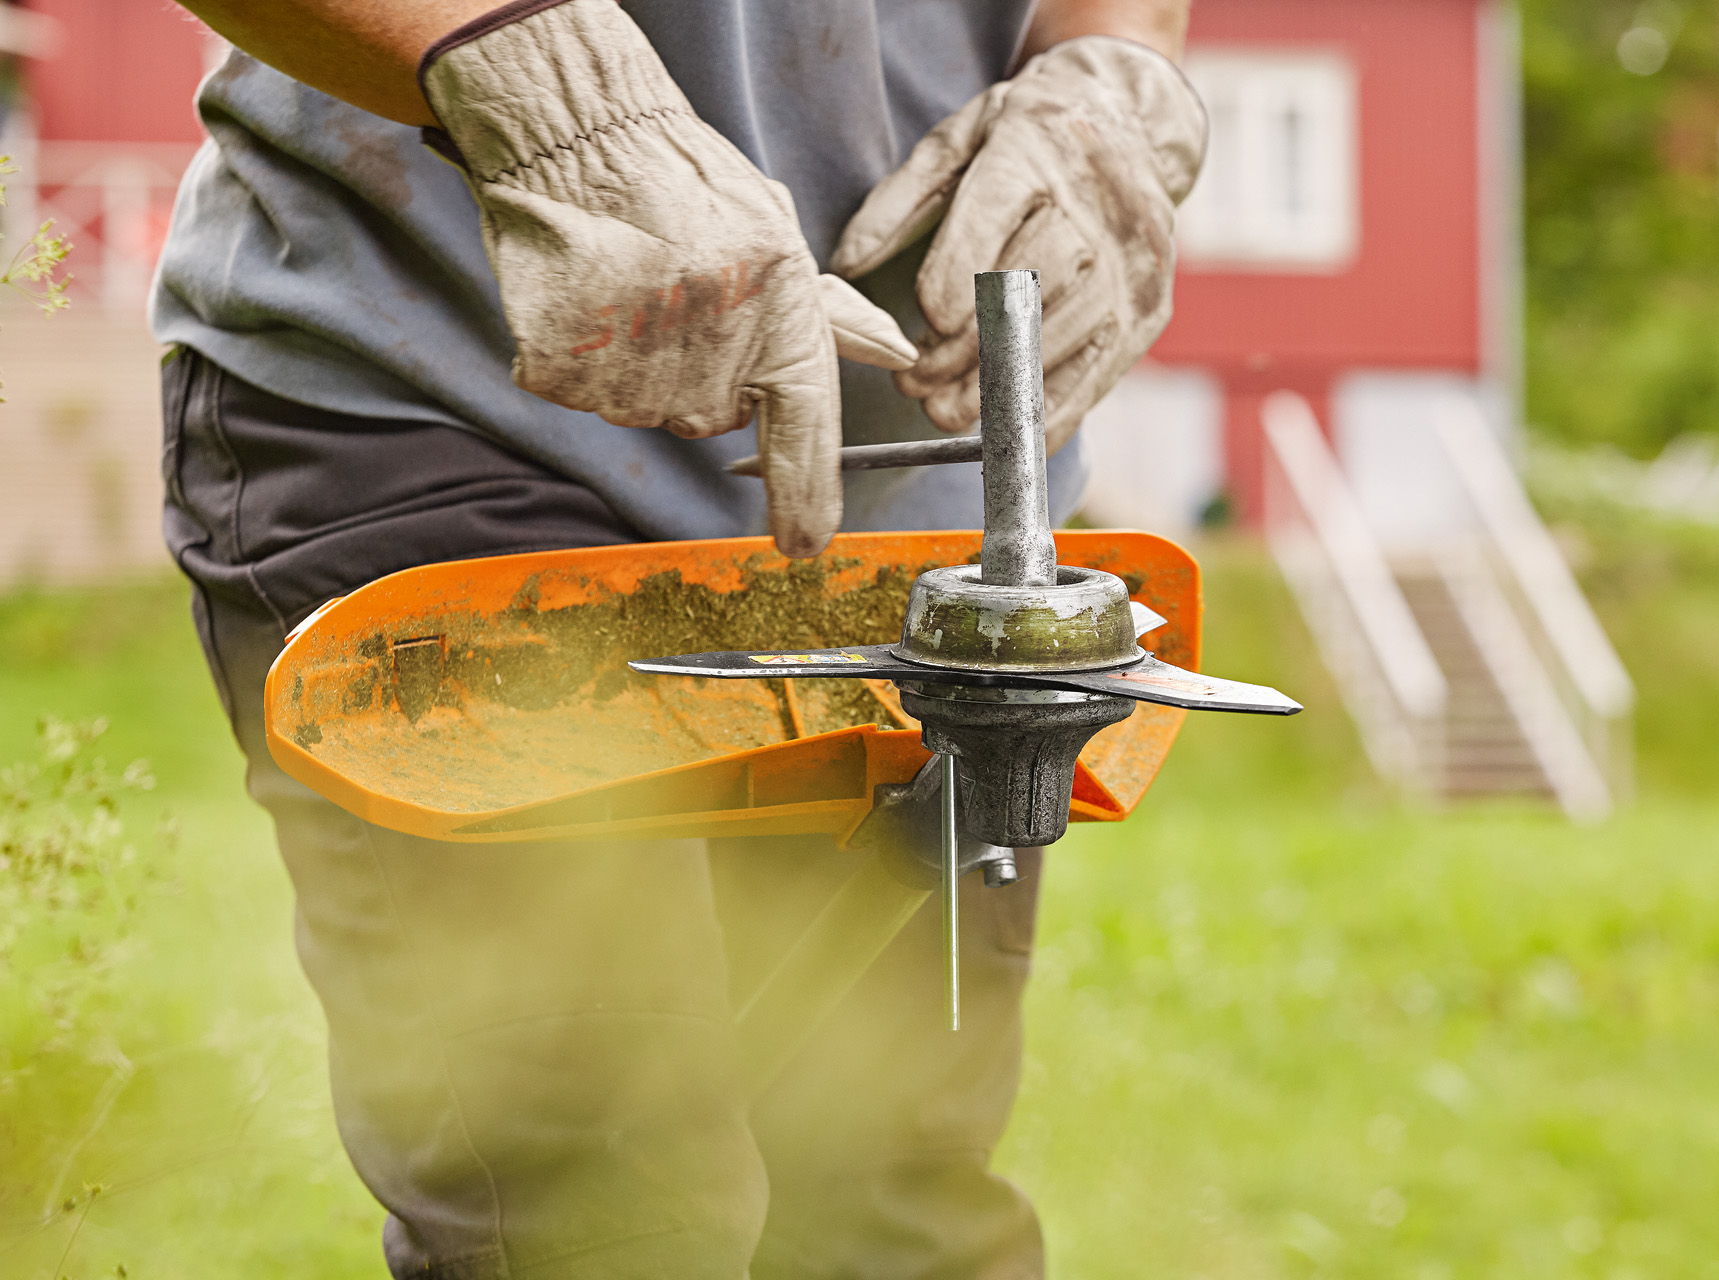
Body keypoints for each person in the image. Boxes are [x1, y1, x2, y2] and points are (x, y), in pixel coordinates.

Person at [155, 1, 1205, 1274]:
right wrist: (540, 92)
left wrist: (1112, 72)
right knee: (608, 1219)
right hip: (449, 386)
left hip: (909, 497)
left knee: (880, 1209)